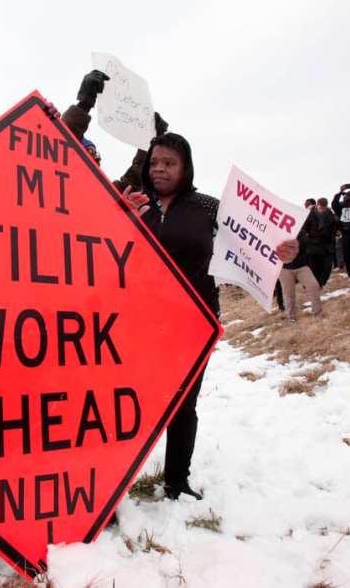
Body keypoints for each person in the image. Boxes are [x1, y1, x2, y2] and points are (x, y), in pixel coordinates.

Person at [123, 132, 218, 501]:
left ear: (185, 167)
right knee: (131, 401)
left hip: (194, 322)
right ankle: (116, 479)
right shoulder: (132, 205)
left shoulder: (209, 208)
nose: (160, 169)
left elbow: (251, 245)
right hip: (137, 322)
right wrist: (121, 219)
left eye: (170, 163)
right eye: (155, 162)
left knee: (183, 403)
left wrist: (285, 250)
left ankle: (177, 480)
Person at [278, 213, 324, 321]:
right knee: (288, 293)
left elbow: (303, 244)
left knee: (313, 286)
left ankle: (318, 312)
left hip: (302, 266)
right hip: (285, 269)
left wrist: (291, 243)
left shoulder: (300, 232)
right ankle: (291, 317)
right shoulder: (278, 233)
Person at [306, 198, 336, 286]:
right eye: (320, 207)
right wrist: (307, 236)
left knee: (327, 266)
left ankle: (322, 283)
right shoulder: (309, 214)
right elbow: (305, 228)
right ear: (317, 205)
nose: (322, 209)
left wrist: (335, 233)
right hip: (313, 245)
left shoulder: (330, 214)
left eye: (324, 207)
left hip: (327, 245)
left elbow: (334, 226)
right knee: (313, 267)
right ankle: (314, 284)